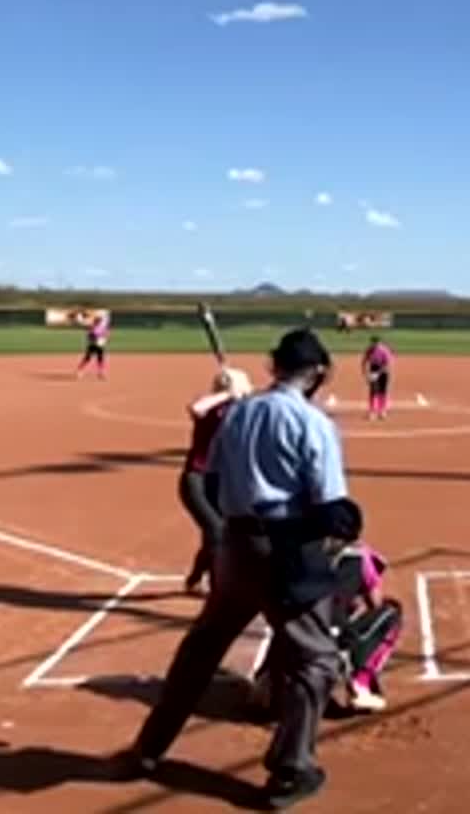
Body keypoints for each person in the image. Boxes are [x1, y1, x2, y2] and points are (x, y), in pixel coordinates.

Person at [118, 327, 348, 808]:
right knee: (316, 659)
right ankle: (291, 770)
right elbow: (329, 504)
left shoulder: (238, 413)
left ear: (274, 366)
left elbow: (216, 484)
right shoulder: (312, 422)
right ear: (317, 373)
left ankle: (148, 748)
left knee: (202, 648)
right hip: (285, 549)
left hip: (233, 545)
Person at [250, 539, 403, 714]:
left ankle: (267, 681)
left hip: (295, 636)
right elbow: (375, 604)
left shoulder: (301, 549)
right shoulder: (361, 555)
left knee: (291, 617)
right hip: (330, 645)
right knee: (391, 612)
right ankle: (361, 682)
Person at [179, 365, 255, 595]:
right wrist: (226, 394)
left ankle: (194, 580)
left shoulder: (240, 410)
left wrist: (237, 396)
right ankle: (218, 587)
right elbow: (195, 408)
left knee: (213, 535)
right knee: (217, 531)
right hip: (196, 480)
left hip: (220, 482)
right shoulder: (211, 409)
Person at [361, 336, 394, 421]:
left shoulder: (384, 350)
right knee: (373, 391)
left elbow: (387, 364)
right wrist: (365, 374)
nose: (374, 345)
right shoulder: (369, 350)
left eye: (376, 343)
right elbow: (364, 361)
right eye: (372, 343)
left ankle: (382, 410)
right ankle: (372, 411)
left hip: (383, 371)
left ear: (379, 343)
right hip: (373, 370)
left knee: (382, 391)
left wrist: (378, 374)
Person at [74, 312, 110, 380]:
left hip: (100, 344)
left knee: (100, 358)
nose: (98, 320)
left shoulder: (102, 326)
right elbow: (89, 336)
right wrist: (95, 337)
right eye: (97, 319)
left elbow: (106, 334)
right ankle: (79, 370)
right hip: (92, 344)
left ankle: (100, 373)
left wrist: (103, 338)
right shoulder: (92, 326)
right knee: (88, 358)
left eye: (99, 319)